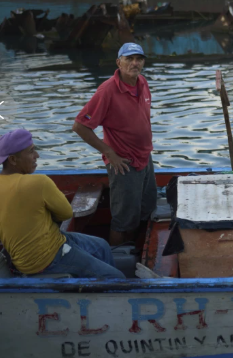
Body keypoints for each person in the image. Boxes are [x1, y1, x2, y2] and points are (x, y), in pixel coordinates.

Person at [0, 129, 124, 278]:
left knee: (102, 246)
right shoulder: (39, 182)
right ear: (13, 160)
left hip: (46, 244)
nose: (37, 156)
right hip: (45, 259)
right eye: (31, 151)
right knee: (117, 278)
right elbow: (66, 213)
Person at [72, 42, 156, 246]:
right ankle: (117, 259)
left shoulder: (142, 82)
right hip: (123, 163)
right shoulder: (107, 90)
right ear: (118, 62)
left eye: (139, 59)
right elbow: (80, 126)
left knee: (147, 209)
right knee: (123, 220)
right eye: (129, 59)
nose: (134, 63)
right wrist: (109, 153)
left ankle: (136, 249)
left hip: (145, 158)